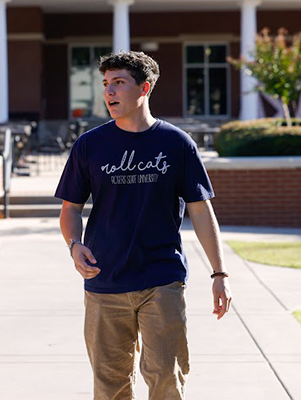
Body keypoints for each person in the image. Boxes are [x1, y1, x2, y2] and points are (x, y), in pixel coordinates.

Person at [55, 51, 232, 400]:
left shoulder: (176, 144)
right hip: (104, 281)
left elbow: (200, 211)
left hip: (161, 280)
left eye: (118, 83)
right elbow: (70, 210)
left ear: (144, 88)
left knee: (167, 380)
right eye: (105, 84)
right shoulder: (90, 146)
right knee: (110, 387)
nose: (109, 92)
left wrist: (219, 274)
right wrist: (74, 245)